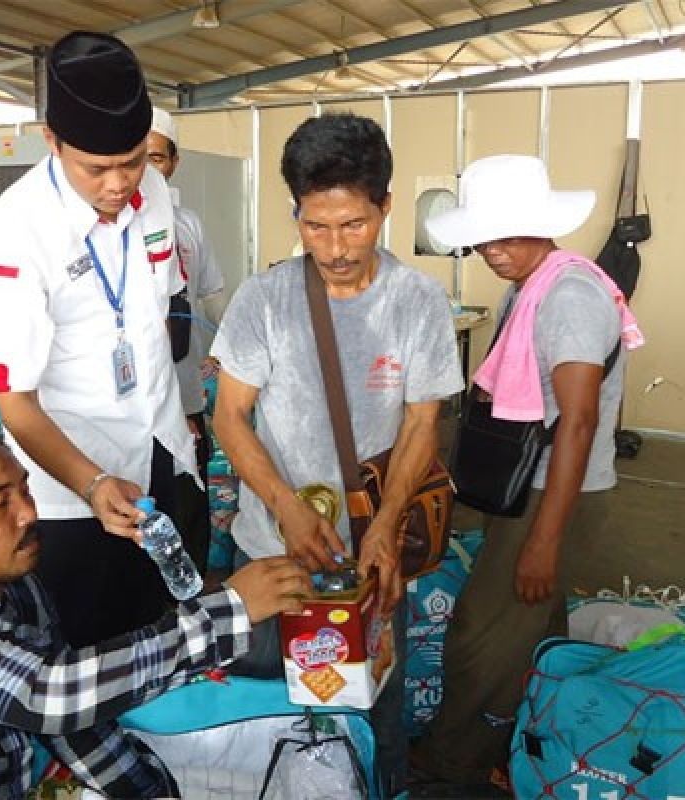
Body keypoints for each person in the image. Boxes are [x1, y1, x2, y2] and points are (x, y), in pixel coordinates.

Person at [0, 424, 311, 799]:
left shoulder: (20, 587)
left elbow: (72, 726)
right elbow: (50, 696)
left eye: (24, 490)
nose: (28, 513)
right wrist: (228, 615)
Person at [210, 112, 465, 795]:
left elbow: (420, 425)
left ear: (385, 205)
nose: (335, 248)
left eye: (354, 224)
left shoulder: (417, 301)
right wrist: (287, 510)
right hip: (270, 552)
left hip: (372, 559)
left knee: (373, 706)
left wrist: (383, 526)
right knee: (272, 706)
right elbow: (229, 417)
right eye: (314, 226)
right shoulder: (264, 299)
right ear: (295, 212)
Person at [412, 154, 643, 785]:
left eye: (507, 234)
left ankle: (448, 765)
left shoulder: (569, 296)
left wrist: (543, 538)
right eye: (484, 235)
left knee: (476, 637)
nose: (491, 249)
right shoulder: (532, 284)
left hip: (555, 495)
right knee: (538, 627)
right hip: (541, 489)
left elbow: (579, 421)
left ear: (543, 226)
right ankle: (531, 747)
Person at [0, 32, 198, 649]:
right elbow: (15, 401)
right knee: (90, 648)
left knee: (163, 631)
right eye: (96, 168)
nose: (119, 184)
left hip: (157, 448)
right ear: (51, 140)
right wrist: (92, 483)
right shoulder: (13, 233)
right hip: (71, 483)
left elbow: (156, 308)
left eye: (134, 160)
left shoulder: (154, 197)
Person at [147, 107, 226, 570]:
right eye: (137, 157)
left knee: (190, 498)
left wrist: (228, 354)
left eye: (157, 157)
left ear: (173, 163)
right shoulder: (103, 230)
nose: (145, 169)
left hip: (186, 393)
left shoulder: (189, 224)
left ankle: (191, 599)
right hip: (133, 407)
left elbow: (213, 296)